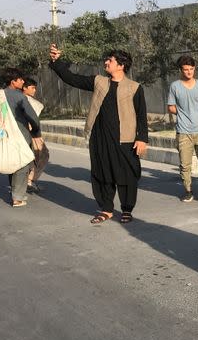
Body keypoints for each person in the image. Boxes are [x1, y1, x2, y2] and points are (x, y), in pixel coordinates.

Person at [48, 44, 148, 224]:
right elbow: (72, 78)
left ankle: (127, 209)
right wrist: (57, 62)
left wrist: (142, 139)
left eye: (110, 60)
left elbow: (141, 115)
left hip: (125, 139)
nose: (106, 62)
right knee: (103, 173)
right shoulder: (99, 82)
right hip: (100, 137)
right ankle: (106, 209)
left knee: (127, 174)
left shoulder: (134, 87)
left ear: (121, 65)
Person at [0, 68, 43, 207]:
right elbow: (32, 117)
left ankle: (14, 190)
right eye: (20, 79)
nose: (22, 81)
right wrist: (36, 131)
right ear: (13, 81)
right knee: (23, 164)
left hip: (4, 135)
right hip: (20, 135)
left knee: (12, 161)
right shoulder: (19, 96)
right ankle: (18, 197)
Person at [167, 55, 198, 203]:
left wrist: (196, 116)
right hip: (183, 131)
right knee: (185, 164)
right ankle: (188, 191)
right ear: (181, 70)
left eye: (191, 69)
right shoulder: (175, 86)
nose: (189, 72)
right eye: (186, 69)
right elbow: (171, 107)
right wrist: (183, 115)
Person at [21, 78, 50, 194]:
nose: (34, 90)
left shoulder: (19, 99)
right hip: (32, 134)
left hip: (28, 133)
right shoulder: (25, 101)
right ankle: (29, 181)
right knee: (42, 155)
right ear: (24, 88)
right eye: (32, 88)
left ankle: (27, 181)